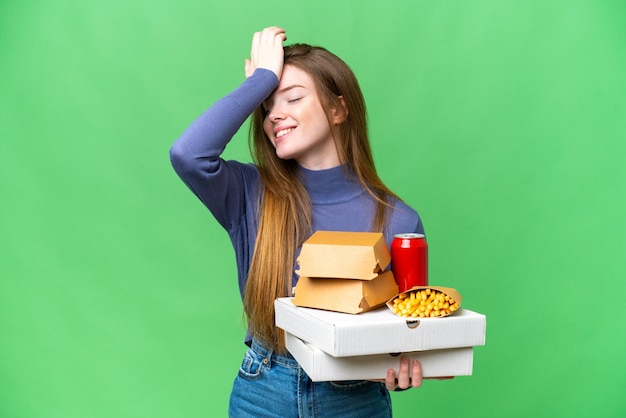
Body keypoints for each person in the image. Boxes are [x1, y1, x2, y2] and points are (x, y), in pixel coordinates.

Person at [170, 26, 427, 417]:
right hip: (262, 394)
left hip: (354, 399)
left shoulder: (398, 220)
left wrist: (401, 364)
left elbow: (406, 334)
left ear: (339, 109)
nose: (275, 115)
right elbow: (188, 154)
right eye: (267, 106)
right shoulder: (249, 194)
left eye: (292, 98)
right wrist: (261, 81)